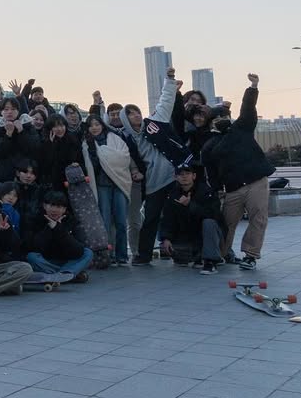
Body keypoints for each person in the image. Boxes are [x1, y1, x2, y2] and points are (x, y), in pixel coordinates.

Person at [202, 73, 275, 270]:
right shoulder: (209, 145)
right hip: (232, 188)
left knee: (258, 218)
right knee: (227, 222)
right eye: (217, 118)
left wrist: (253, 87)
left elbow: (248, 108)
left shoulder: (241, 127)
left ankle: (250, 255)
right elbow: (211, 172)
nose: (221, 120)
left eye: (224, 116)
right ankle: (220, 254)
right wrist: (216, 190)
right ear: (211, 123)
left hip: (256, 181)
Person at [119, 69, 184, 266]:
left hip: (174, 176)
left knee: (177, 214)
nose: (136, 115)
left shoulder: (155, 123)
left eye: (137, 111)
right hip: (154, 182)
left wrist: (170, 81)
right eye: (130, 114)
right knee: (150, 218)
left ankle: (180, 251)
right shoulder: (128, 139)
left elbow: (165, 103)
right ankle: (143, 254)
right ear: (125, 120)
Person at [82, 114, 136, 266]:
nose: (94, 127)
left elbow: (124, 157)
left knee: (121, 222)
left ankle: (122, 256)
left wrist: (105, 155)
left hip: (119, 183)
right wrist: (97, 155)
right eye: (91, 125)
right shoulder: (87, 144)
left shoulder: (115, 138)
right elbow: (91, 166)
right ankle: (107, 255)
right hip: (101, 185)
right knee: (104, 222)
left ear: (102, 125)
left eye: (97, 124)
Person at [158, 163, 225, 274]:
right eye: (181, 174)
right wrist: (166, 238)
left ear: (194, 176)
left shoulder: (207, 192)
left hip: (208, 236)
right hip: (187, 237)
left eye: (187, 173)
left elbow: (214, 215)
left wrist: (190, 205)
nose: (184, 176)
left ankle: (210, 262)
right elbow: (167, 219)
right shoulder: (172, 195)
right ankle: (196, 256)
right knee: (179, 258)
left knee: (209, 222)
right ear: (176, 177)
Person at [25, 189, 93, 282]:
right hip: (46, 261)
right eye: (51, 205)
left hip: (69, 260)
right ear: (44, 206)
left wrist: (58, 229)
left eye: (59, 206)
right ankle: (69, 274)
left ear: (64, 209)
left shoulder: (71, 221)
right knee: (31, 256)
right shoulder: (36, 219)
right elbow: (35, 247)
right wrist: (49, 228)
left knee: (88, 253)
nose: (54, 210)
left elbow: (78, 251)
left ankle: (60, 274)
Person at [0, 99, 40, 182]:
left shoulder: (28, 126)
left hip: (25, 173)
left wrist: (21, 131)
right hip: (4, 174)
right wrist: (8, 135)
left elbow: (34, 148)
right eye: (6, 109)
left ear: (18, 111)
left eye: (13, 109)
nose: (9, 112)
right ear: (1, 112)